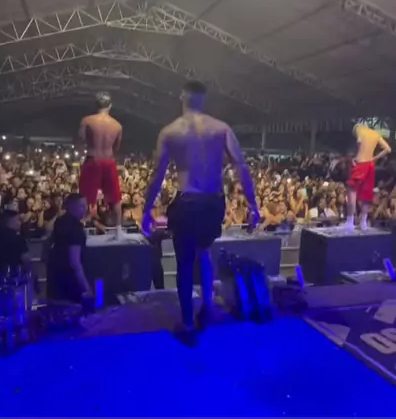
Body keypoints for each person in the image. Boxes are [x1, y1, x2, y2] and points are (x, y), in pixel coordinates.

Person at [141, 80, 260, 334]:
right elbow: (241, 166)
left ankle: (187, 322)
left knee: (185, 263)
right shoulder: (221, 128)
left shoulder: (170, 131)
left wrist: (146, 210)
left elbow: (157, 176)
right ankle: (207, 307)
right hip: (213, 202)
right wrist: (253, 204)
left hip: (188, 201)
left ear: (182, 97)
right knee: (204, 252)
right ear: (203, 99)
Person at [78, 92, 126, 241]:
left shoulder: (87, 120)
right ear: (110, 105)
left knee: (85, 197)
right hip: (108, 160)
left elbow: (80, 140)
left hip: (93, 159)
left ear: (95, 105)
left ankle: (81, 229)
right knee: (115, 198)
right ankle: (119, 231)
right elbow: (116, 147)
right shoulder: (117, 125)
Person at [46, 193, 92, 303]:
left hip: (55, 277)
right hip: (69, 282)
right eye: (81, 206)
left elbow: (49, 243)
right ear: (71, 207)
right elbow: (74, 262)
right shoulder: (75, 228)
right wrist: (86, 287)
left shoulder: (60, 221)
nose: (85, 209)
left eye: (85, 205)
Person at [344, 124, 391, 231]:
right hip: (370, 165)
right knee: (366, 194)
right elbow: (388, 149)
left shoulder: (359, 129)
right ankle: (363, 222)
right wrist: (375, 158)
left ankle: (350, 222)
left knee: (351, 191)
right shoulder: (376, 134)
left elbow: (359, 141)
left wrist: (355, 156)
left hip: (361, 163)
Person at [0, 209, 30, 283]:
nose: (20, 223)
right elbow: (26, 259)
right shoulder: (17, 238)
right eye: (18, 220)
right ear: (11, 221)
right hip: (12, 279)